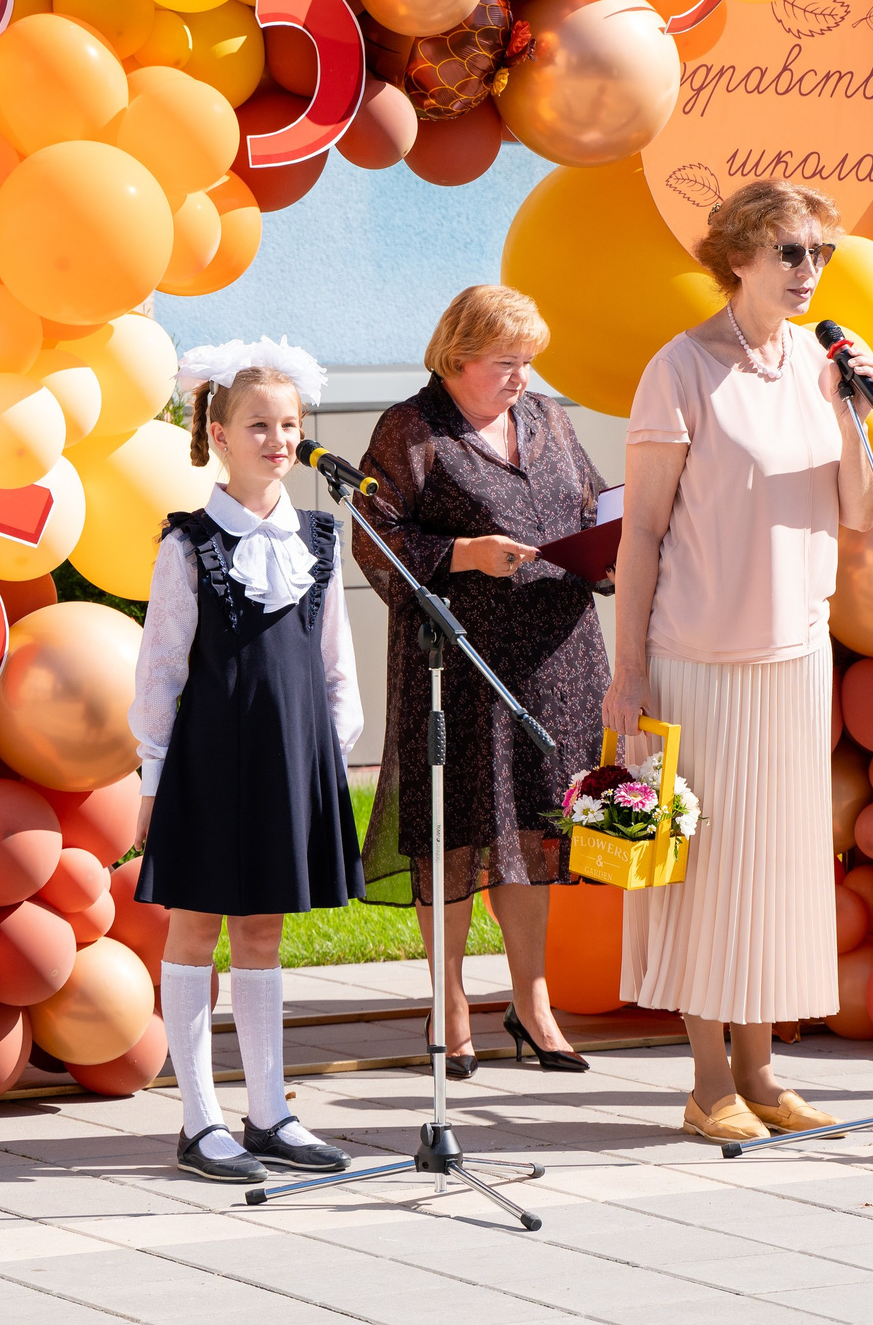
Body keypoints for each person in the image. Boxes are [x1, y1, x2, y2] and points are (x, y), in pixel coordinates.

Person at [605, 181, 873, 1144]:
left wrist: (854, 404)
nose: (810, 272)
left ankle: (764, 1075)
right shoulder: (680, 370)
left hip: (794, 655)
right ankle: (707, 1081)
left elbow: (863, 518)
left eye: (820, 255)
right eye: (791, 252)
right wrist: (626, 669)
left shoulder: (821, 368)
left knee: (774, 874)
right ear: (740, 258)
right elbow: (639, 533)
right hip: (698, 655)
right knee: (708, 876)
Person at [356, 285, 610, 1077]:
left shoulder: (549, 419)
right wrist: (464, 554)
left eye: (529, 363)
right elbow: (374, 536)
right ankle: (451, 1005)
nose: (521, 379)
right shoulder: (412, 428)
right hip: (461, 661)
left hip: (557, 657)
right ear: (457, 355)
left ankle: (533, 1008)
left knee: (536, 832)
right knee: (457, 832)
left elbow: (590, 503)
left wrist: (608, 541)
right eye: (507, 362)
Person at [129, 338, 366, 1182]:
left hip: (290, 763)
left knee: (263, 931)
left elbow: (336, 664)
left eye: (289, 424)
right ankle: (199, 1120)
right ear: (219, 435)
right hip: (211, 762)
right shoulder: (191, 544)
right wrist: (152, 777)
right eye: (258, 424)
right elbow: (160, 669)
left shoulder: (321, 538)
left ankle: (269, 1110)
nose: (277, 439)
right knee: (196, 928)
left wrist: (329, 760)